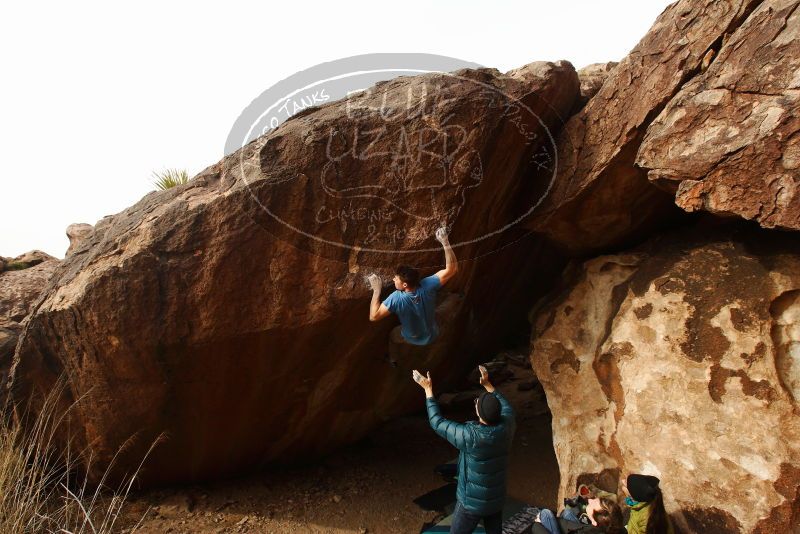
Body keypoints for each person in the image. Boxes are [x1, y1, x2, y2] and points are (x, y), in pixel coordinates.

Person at [412, 365, 515, 534]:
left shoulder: (470, 436)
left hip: (470, 503)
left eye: (477, 403)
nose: (475, 403)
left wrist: (428, 390)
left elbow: (437, 422)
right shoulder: (508, 425)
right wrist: (488, 384)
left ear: (479, 414)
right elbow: (505, 405)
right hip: (495, 500)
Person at [367, 226, 458, 348]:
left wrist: (377, 291)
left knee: (394, 335)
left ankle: (393, 359)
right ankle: (457, 298)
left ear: (404, 285)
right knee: (442, 308)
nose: (393, 279)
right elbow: (452, 269)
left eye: (396, 278)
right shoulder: (427, 285)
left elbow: (374, 316)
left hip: (412, 338)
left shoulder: (396, 298)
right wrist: (445, 242)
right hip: (432, 333)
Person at [532, 496, 624, 534]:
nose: (589, 500)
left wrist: (539, 523)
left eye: (592, 504)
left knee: (545, 514)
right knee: (567, 512)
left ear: (594, 522)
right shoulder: (608, 526)